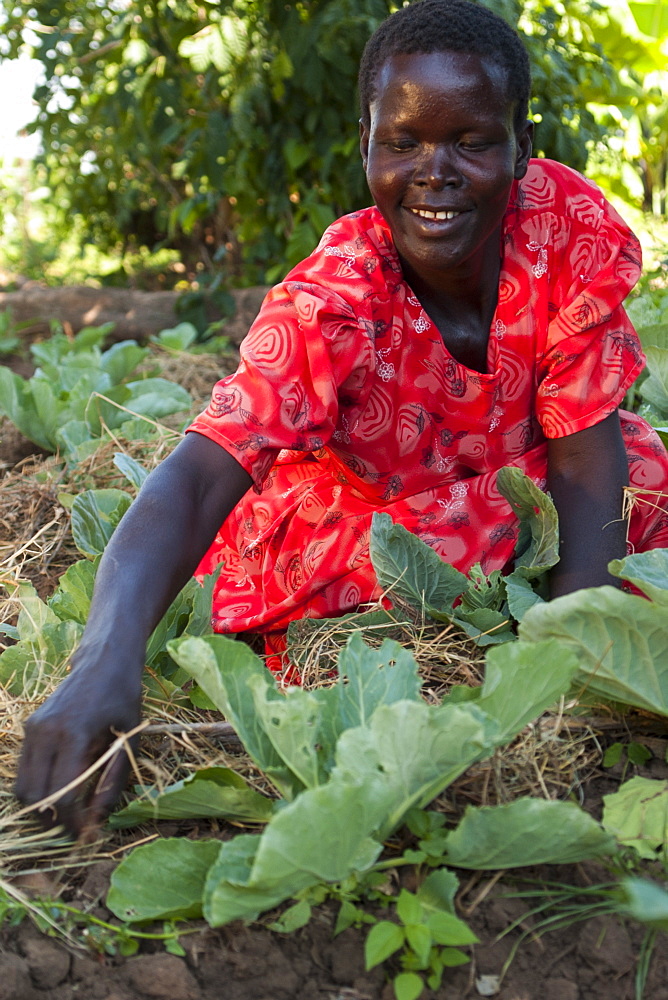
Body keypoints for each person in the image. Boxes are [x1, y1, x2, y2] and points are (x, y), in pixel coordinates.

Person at [15, 0, 668, 837]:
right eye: (403, 142)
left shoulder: (563, 228)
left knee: (636, 466)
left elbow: (583, 459)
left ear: (521, 146)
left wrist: (584, 653)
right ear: (366, 143)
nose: (437, 170)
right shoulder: (339, 294)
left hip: (523, 479)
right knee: (344, 546)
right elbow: (201, 470)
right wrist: (102, 662)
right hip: (372, 518)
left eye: (472, 140)